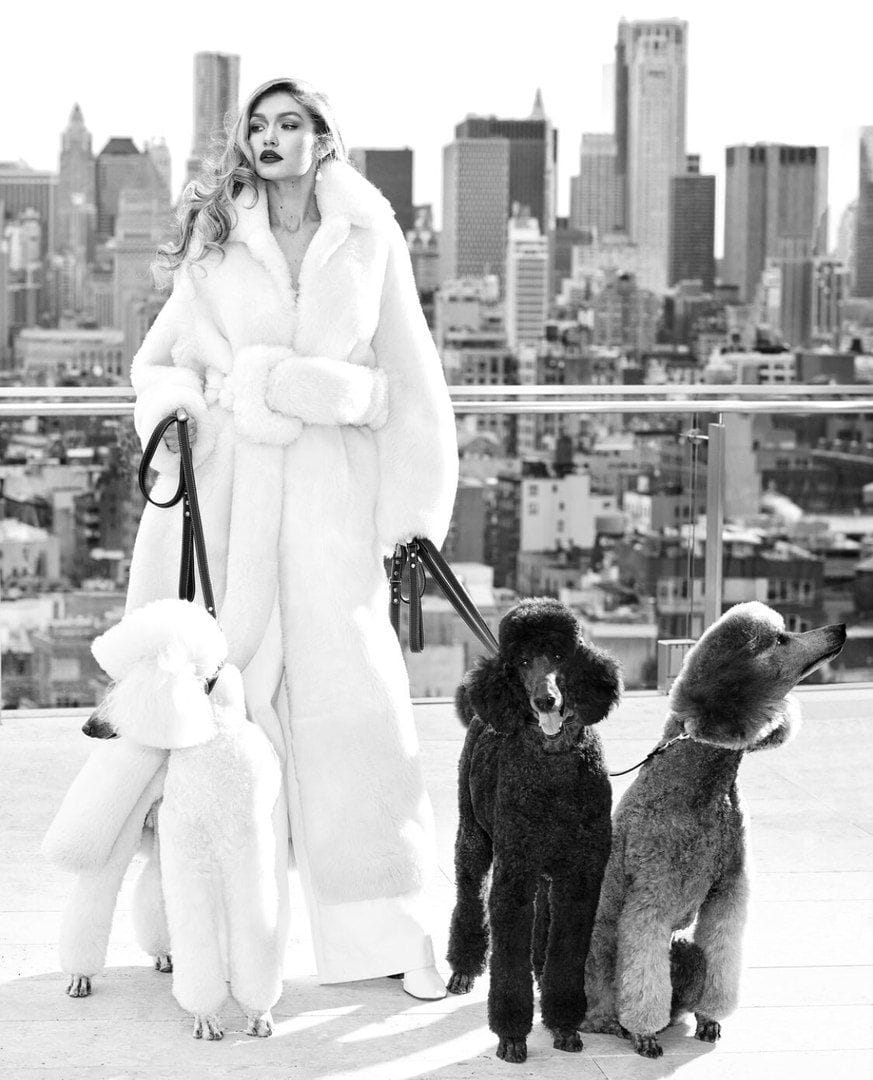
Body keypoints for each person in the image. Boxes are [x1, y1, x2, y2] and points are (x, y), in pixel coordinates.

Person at [126, 76, 458, 999]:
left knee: (360, 714)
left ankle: (389, 931)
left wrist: (409, 520)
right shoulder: (216, 237)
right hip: (228, 495)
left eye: (289, 124)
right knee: (214, 714)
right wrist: (180, 412)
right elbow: (158, 364)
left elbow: (410, 379)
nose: (270, 139)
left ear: (323, 137)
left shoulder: (369, 236)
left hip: (331, 504)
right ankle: (194, 926)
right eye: (257, 126)